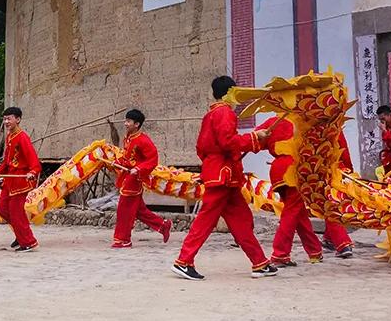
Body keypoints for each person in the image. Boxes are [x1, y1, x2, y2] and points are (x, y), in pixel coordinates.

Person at [173, 76, 276, 280]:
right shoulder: (224, 112)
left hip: (222, 174)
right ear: (230, 92)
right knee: (206, 220)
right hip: (223, 175)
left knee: (241, 220)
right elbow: (228, 141)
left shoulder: (211, 114)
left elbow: (202, 148)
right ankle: (184, 260)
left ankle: (259, 263)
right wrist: (255, 138)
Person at [255, 116, 323, 266]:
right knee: (291, 212)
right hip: (294, 169)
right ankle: (280, 254)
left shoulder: (273, 120)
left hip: (278, 168)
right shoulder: (303, 120)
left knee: (298, 212)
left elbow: (256, 138)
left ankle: (314, 251)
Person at [111, 109, 171, 248]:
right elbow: (127, 157)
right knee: (138, 210)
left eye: (128, 121)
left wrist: (138, 169)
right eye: (125, 121)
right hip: (127, 176)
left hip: (135, 179)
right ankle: (163, 225)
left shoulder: (143, 140)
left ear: (137, 124)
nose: (125, 124)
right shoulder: (128, 137)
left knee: (124, 209)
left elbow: (152, 159)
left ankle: (123, 239)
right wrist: (118, 162)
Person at [0, 107, 41, 253]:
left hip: (20, 181)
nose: (6, 121)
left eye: (9, 118)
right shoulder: (9, 137)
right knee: (2, 209)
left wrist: (33, 172)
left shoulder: (22, 137)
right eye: (5, 119)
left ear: (18, 120)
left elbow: (34, 160)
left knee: (16, 212)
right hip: (9, 180)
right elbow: (7, 162)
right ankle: (21, 235)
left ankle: (28, 242)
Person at [321, 132, 355, 258]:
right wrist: (350, 170)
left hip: (322, 172)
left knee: (329, 207)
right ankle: (333, 240)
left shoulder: (310, 127)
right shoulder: (335, 128)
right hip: (337, 172)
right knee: (331, 205)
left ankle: (341, 243)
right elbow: (344, 152)